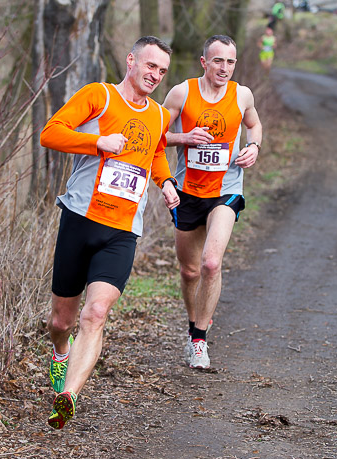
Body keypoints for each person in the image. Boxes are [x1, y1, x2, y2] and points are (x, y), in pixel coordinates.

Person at [39, 36, 179, 429]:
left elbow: (154, 153)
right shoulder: (97, 96)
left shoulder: (157, 115)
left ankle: (68, 395)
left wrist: (166, 183)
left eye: (162, 71)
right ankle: (60, 353)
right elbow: (50, 133)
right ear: (132, 61)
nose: (155, 75)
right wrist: (97, 142)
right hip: (80, 219)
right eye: (150, 66)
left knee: (96, 312)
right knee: (61, 322)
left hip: (122, 230)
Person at [162, 35, 263, 370]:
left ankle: (199, 339)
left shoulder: (242, 94)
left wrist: (254, 146)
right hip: (187, 192)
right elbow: (155, 134)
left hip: (226, 190)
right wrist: (183, 137)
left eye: (230, 62)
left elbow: (254, 123)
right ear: (204, 62)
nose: (224, 68)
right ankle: (194, 326)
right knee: (189, 271)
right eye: (218, 61)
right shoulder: (181, 93)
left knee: (210, 264)